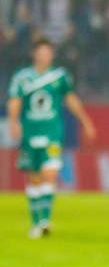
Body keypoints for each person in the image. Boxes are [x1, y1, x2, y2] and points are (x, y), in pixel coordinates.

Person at [6, 37, 96, 238]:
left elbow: (70, 99)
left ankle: (45, 221)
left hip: (52, 132)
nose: (44, 56)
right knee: (34, 177)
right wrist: (13, 122)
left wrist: (85, 121)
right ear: (34, 54)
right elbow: (14, 100)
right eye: (41, 52)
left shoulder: (59, 77)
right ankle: (36, 222)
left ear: (52, 55)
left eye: (47, 53)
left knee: (50, 173)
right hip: (30, 132)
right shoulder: (22, 77)